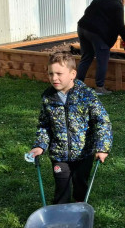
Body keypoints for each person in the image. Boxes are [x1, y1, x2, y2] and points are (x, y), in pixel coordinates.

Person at [29, 52, 112, 205]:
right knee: (62, 186)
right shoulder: (48, 98)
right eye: (51, 73)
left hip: (84, 153)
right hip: (59, 154)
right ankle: (60, 212)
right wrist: (40, 145)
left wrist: (102, 147)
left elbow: (102, 121)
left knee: (80, 183)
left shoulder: (86, 95)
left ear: (73, 74)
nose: (54, 78)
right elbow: (44, 125)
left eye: (59, 73)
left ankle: (79, 205)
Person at [76, 0, 125, 95]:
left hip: (82, 28)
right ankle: (100, 88)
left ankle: (77, 86)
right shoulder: (117, 5)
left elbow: (87, 12)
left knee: (86, 57)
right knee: (102, 59)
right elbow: (120, 25)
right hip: (97, 33)